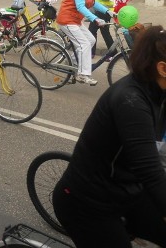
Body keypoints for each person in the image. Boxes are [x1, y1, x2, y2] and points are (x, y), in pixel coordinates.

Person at [52, 26, 166, 248]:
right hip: (89, 204)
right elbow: (150, 170)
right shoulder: (130, 101)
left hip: (129, 192)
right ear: (162, 68)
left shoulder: (160, 92)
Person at [56, 0, 114, 85]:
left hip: (75, 20)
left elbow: (93, 3)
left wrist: (108, 12)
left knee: (91, 41)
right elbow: (81, 7)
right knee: (84, 45)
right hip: (67, 20)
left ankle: (71, 63)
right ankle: (83, 75)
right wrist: (95, 19)